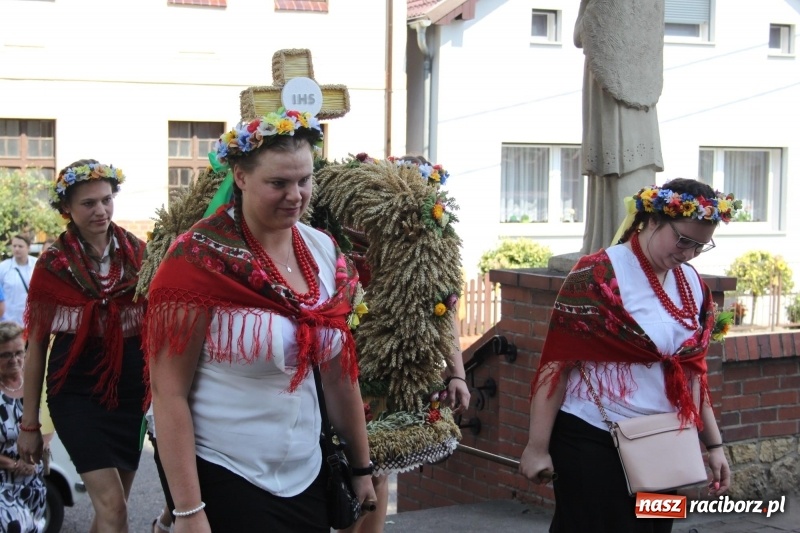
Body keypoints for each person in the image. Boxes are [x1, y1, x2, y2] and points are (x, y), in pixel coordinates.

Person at [144, 108, 376, 533]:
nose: (295, 195)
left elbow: (339, 376)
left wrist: (362, 468)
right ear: (241, 176)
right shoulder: (195, 259)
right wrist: (188, 511)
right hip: (224, 466)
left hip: (307, 470)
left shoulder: (324, 251)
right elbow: (167, 392)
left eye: (304, 180)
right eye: (278, 183)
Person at [520, 178, 735, 532]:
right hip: (594, 439)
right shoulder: (596, 274)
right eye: (683, 240)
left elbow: (691, 373)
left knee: (655, 528)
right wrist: (536, 447)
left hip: (665, 442)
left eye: (700, 246)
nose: (689, 254)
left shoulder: (693, 284)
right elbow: (556, 363)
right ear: (652, 220)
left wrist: (714, 446)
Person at [18, 159, 147, 533]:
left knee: (113, 510)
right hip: (75, 392)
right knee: (114, 509)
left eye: (106, 199)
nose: (101, 210)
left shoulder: (140, 254)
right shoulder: (52, 264)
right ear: (67, 209)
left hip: (131, 392)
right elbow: (36, 347)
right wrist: (30, 424)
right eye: (88, 203)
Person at [576, 0, 665, 254]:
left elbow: (582, 32)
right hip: (635, 89)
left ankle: (611, 243)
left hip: (611, 88)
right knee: (620, 166)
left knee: (616, 162)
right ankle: (621, 242)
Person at [0, 321, 46, 533]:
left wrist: (34, 459)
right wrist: (13, 464)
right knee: (13, 525)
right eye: (5, 355)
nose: (14, 359)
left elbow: (48, 424)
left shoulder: (34, 383)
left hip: (32, 479)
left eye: (19, 352)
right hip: (4, 478)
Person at [0, 235, 37, 326]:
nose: (17, 249)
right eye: (14, 246)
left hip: (32, 321)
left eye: (20, 246)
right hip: (9, 322)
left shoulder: (37, 265)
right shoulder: (3, 267)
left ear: (28, 248)